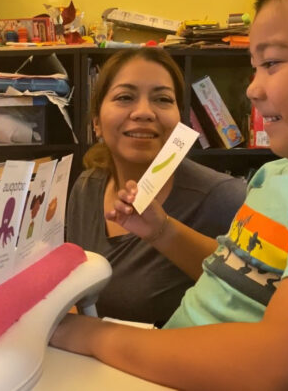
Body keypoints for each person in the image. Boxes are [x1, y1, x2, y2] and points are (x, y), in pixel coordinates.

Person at [51, 0, 288, 390]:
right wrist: (162, 232)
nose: (252, 88)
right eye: (253, 67)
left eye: (271, 62)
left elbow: (283, 363)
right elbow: (237, 279)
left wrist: (92, 335)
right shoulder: (276, 176)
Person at [66, 47, 247, 325]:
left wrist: (164, 232)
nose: (143, 112)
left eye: (162, 99)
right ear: (96, 123)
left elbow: (254, 298)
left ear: (180, 120)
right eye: (125, 97)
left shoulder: (222, 198)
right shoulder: (86, 186)